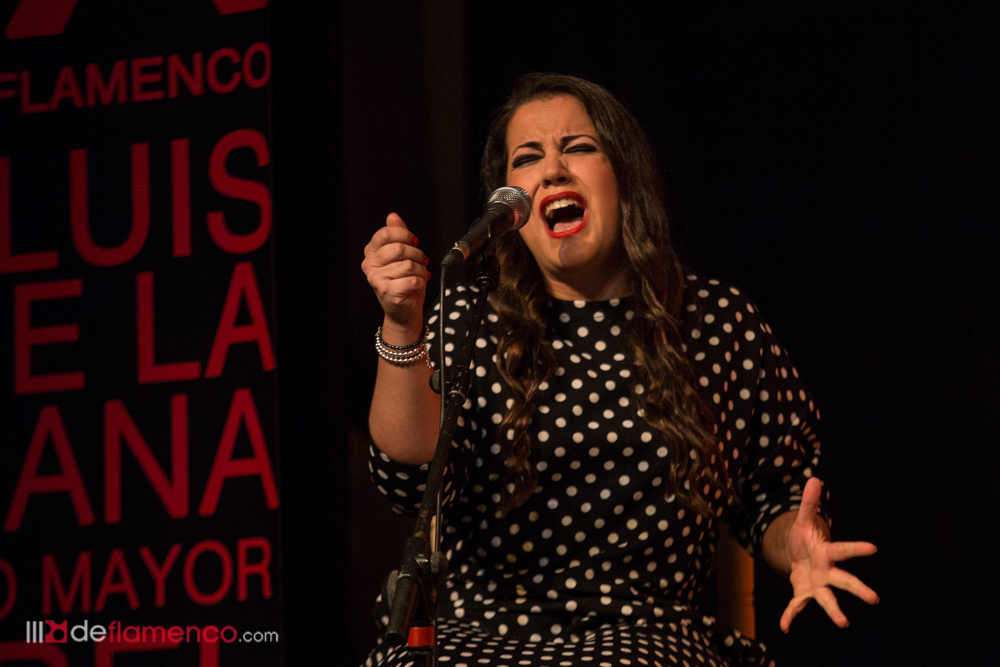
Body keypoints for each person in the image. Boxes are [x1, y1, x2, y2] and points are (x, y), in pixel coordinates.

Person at [360, 73, 877, 667]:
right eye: (527, 158)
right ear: (508, 206)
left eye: (578, 147)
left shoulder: (715, 323)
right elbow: (409, 485)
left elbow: (775, 496)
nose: (552, 171)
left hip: (648, 634)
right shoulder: (471, 317)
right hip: (481, 635)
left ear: (625, 177)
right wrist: (402, 324)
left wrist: (799, 545)